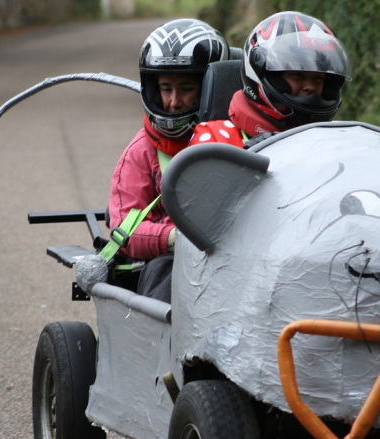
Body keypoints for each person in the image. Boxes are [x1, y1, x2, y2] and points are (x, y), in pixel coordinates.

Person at [106, 19, 241, 302]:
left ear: (210, 87)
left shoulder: (242, 137)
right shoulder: (141, 151)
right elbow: (124, 230)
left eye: (186, 88)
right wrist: (176, 240)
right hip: (169, 263)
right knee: (167, 273)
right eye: (166, 89)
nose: (173, 102)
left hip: (238, 256)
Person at [189, 11, 352, 147]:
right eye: (297, 75)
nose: (309, 86)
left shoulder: (335, 142)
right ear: (260, 74)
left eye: (318, 77)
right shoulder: (215, 139)